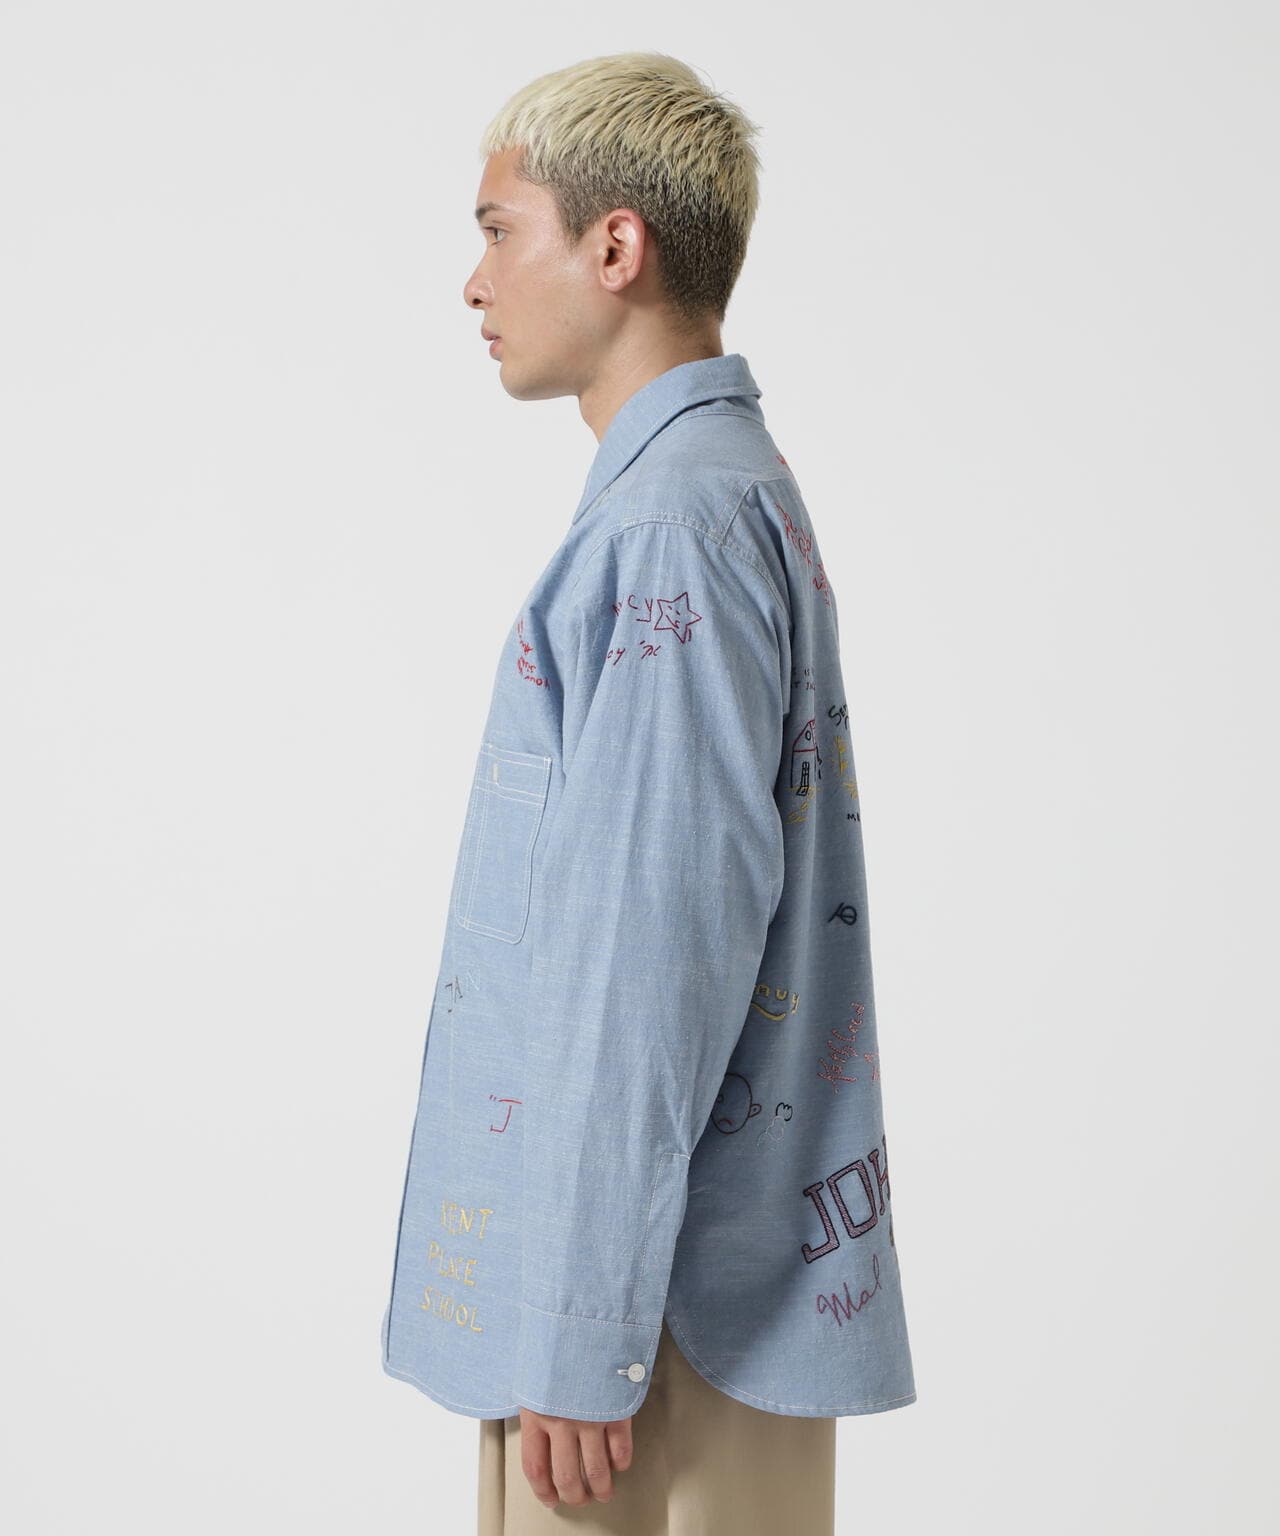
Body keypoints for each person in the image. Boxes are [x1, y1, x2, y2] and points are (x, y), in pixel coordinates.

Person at [379, 51, 917, 1534]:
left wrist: (579, 1329)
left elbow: (647, 956)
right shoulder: (710, 493)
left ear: (615, 246)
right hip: (667, 1316)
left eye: (500, 231)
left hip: (644, 1347)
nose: (474, 283)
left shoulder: (672, 527)